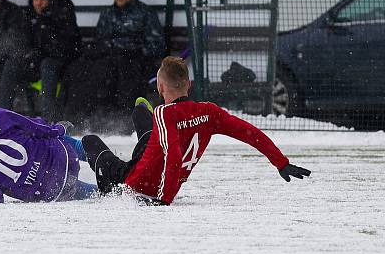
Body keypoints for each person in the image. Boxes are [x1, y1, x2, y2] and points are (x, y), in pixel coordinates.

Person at [81, 56, 311, 205]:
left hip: (135, 183)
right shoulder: (209, 112)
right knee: (144, 125)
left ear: (161, 88)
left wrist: (163, 200)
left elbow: (173, 155)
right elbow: (249, 132)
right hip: (154, 160)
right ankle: (141, 112)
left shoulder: (164, 113)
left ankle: (138, 114)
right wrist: (280, 162)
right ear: (189, 86)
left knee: (90, 141)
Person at [64, 0, 165, 128]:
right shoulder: (107, 14)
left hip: (136, 60)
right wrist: (112, 49)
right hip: (110, 58)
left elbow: (156, 43)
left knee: (125, 71)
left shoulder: (145, 13)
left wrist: (134, 51)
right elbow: (100, 39)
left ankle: (125, 119)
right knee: (87, 71)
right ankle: (87, 117)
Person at [0, 0, 81, 120]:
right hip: (35, 62)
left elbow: (66, 46)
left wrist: (42, 48)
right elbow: (23, 42)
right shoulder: (30, 17)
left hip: (60, 64)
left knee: (47, 65)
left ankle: (48, 120)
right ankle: (2, 116)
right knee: (11, 65)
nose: (38, 3)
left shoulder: (62, 15)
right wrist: (27, 55)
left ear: (50, 0)